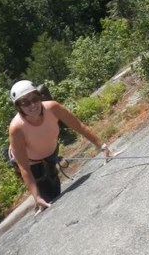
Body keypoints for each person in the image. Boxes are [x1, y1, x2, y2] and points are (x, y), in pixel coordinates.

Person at [7, 80, 113, 212]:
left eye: (35, 99)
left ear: (39, 97)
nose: (32, 105)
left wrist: (102, 147)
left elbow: (79, 126)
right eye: (25, 102)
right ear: (18, 107)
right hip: (32, 163)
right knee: (49, 199)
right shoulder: (17, 128)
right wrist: (37, 197)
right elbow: (24, 168)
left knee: (55, 188)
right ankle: (37, 202)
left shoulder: (53, 108)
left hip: (50, 153)